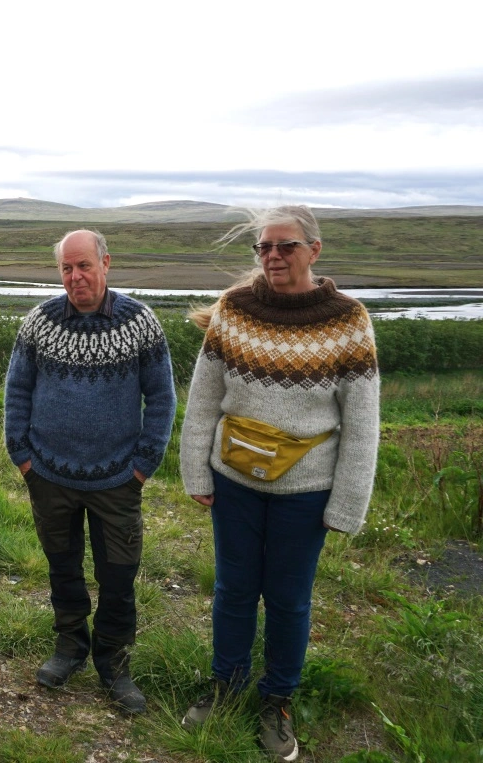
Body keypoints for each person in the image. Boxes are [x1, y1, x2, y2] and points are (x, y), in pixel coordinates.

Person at [178, 206, 379, 761]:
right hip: (234, 483)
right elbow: (202, 401)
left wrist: (347, 504)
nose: (272, 256)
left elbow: (362, 423)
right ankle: (228, 684)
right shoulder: (233, 312)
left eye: (285, 246)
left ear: (314, 250)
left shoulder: (348, 321)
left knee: (289, 600)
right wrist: (195, 469)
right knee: (234, 590)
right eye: (264, 247)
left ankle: (278, 701)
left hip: (307, 494)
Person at [4, 229, 176, 714]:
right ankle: (69, 647)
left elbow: (161, 397)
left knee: (119, 576)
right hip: (50, 475)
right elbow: (16, 390)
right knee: (63, 569)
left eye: (83, 266)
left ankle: (114, 663)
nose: (75, 277)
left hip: (118, 480)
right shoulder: (39, 321)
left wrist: (143, 466)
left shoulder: (139, 322)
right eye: (66, 268)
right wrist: (23, 457)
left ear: (106, 263)